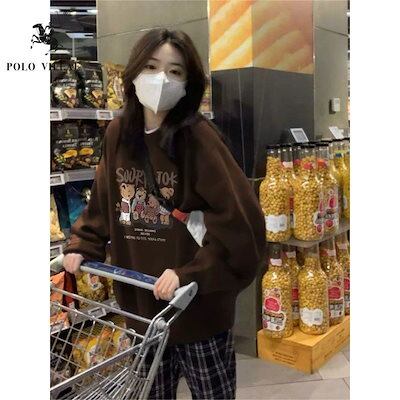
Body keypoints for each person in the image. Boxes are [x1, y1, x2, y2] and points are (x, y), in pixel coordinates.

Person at [63, 28, 266, 400]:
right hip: (143, 311)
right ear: (134, 73)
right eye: (152, 67)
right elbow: (104, 202)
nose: (161, 79)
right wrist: (83, 243)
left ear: (188, 83)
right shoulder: (118, 134)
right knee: (151, 394)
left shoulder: (200, 139)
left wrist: (190, 273)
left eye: (175, 71)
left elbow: (240, 224)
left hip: (197, 310)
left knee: (212, 394)